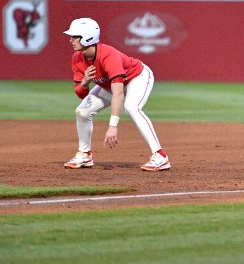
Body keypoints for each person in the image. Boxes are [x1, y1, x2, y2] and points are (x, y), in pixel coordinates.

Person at [63, 17, 171, 171]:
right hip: (111, 84)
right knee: (82, 111)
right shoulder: (77, 59)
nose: (71, 40)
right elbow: (81, 94)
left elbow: (118, 93)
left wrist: (113, 126)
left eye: (75, 36)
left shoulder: (108, 55)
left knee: (132, 107)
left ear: (88, 37)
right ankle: (84, 154)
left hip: (136, 77)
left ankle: (160, 156)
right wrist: (85, 82)